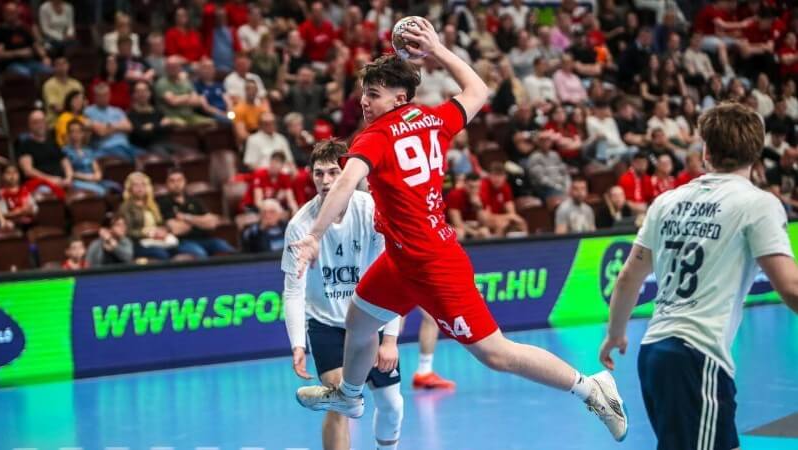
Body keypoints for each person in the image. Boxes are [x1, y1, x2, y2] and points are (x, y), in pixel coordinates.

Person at [292, 18, 627, 442]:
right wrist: (437, 49)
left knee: (496, 354)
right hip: (401, 260)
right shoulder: (433, 119)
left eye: (373, 94)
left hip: (433, 265)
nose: (364, 101)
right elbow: (478, 90)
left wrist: (314, 235)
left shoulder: (374, 137)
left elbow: (344, 184)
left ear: (399, 98)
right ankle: (350, 396)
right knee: (359, 319)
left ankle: (591, 388)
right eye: (364, 93)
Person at [600, 102, 798, 450]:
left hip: (655, 352)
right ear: (757, 153)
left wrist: (615, 333)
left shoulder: (667, 201)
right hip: (696, 356)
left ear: (705, 150)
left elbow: (629, 277)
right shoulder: (758, 204)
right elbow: (791, 287)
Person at [282, 140, 404, 450]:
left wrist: (390, 340)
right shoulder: (299, 226)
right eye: (318, 173)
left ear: (348, 173)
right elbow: (293, 290)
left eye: (333, 172)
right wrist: (297, 343)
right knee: (339, 402)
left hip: (371, 319)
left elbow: (393, 274)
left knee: (391, 404)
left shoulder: (371, 210)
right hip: (326, 325)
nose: (325, 181)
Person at [158, 168, 235, 259]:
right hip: (182, 242)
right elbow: (177, 229)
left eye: (179, 180)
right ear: (166, 184)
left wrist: (186, 217)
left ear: (185, 181)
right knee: (200, 254)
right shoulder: (163, 203)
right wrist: (200, 222)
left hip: (204, 238)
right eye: (172, 181)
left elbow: (211, 223)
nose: (176, 184)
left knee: (225, 248)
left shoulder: (194, 200)